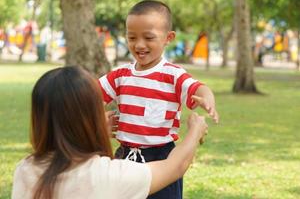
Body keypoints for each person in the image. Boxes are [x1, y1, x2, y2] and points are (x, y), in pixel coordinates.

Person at [12, 66, 208, 199]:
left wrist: (94, 135)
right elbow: (175, 166)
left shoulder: (25, 169)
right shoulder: (111, 175)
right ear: (91, 118)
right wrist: (195, 131)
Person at [98, 0, 219, 199]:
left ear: (168, 38)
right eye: (132, 37)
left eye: (148, 37)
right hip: (125, 157)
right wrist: (98, 120)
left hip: (162, 158)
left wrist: (207, 98)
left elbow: (199, 87)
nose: (139, 45)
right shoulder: (120, 75)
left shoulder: (173, 75)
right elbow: (90, 97)